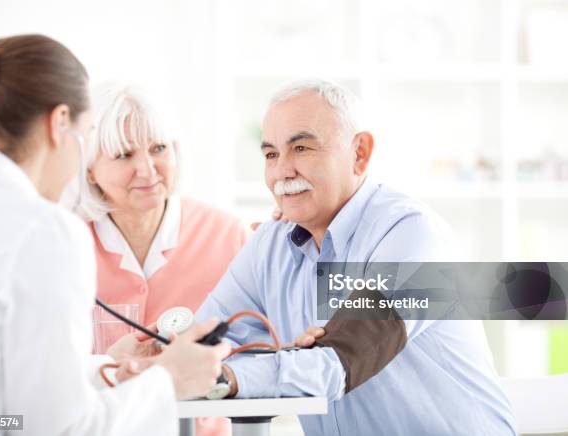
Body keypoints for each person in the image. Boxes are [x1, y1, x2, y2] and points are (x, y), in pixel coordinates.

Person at [196, 80, 518, 435]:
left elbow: (341, 358)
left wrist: (224, 376)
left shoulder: (414, 236)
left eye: (301, 148)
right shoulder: (269, 246)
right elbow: (205, 341)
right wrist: (166, 364)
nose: (281, 171)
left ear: (360, 153)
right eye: (271, 154)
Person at [0, 34, 229, 436]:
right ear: (59, 123)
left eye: (158, 148)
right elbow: (57, 429)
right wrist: (167, 382)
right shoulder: (42, 231)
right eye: (89, 140)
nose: (147, 170)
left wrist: (100, 369)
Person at [68, 84, 249, 435]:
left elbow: (261, 349)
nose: (148, 170)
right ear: (89, 168)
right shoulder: (65, 243)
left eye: (159, 149)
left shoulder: (229, 235)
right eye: (123, 155)